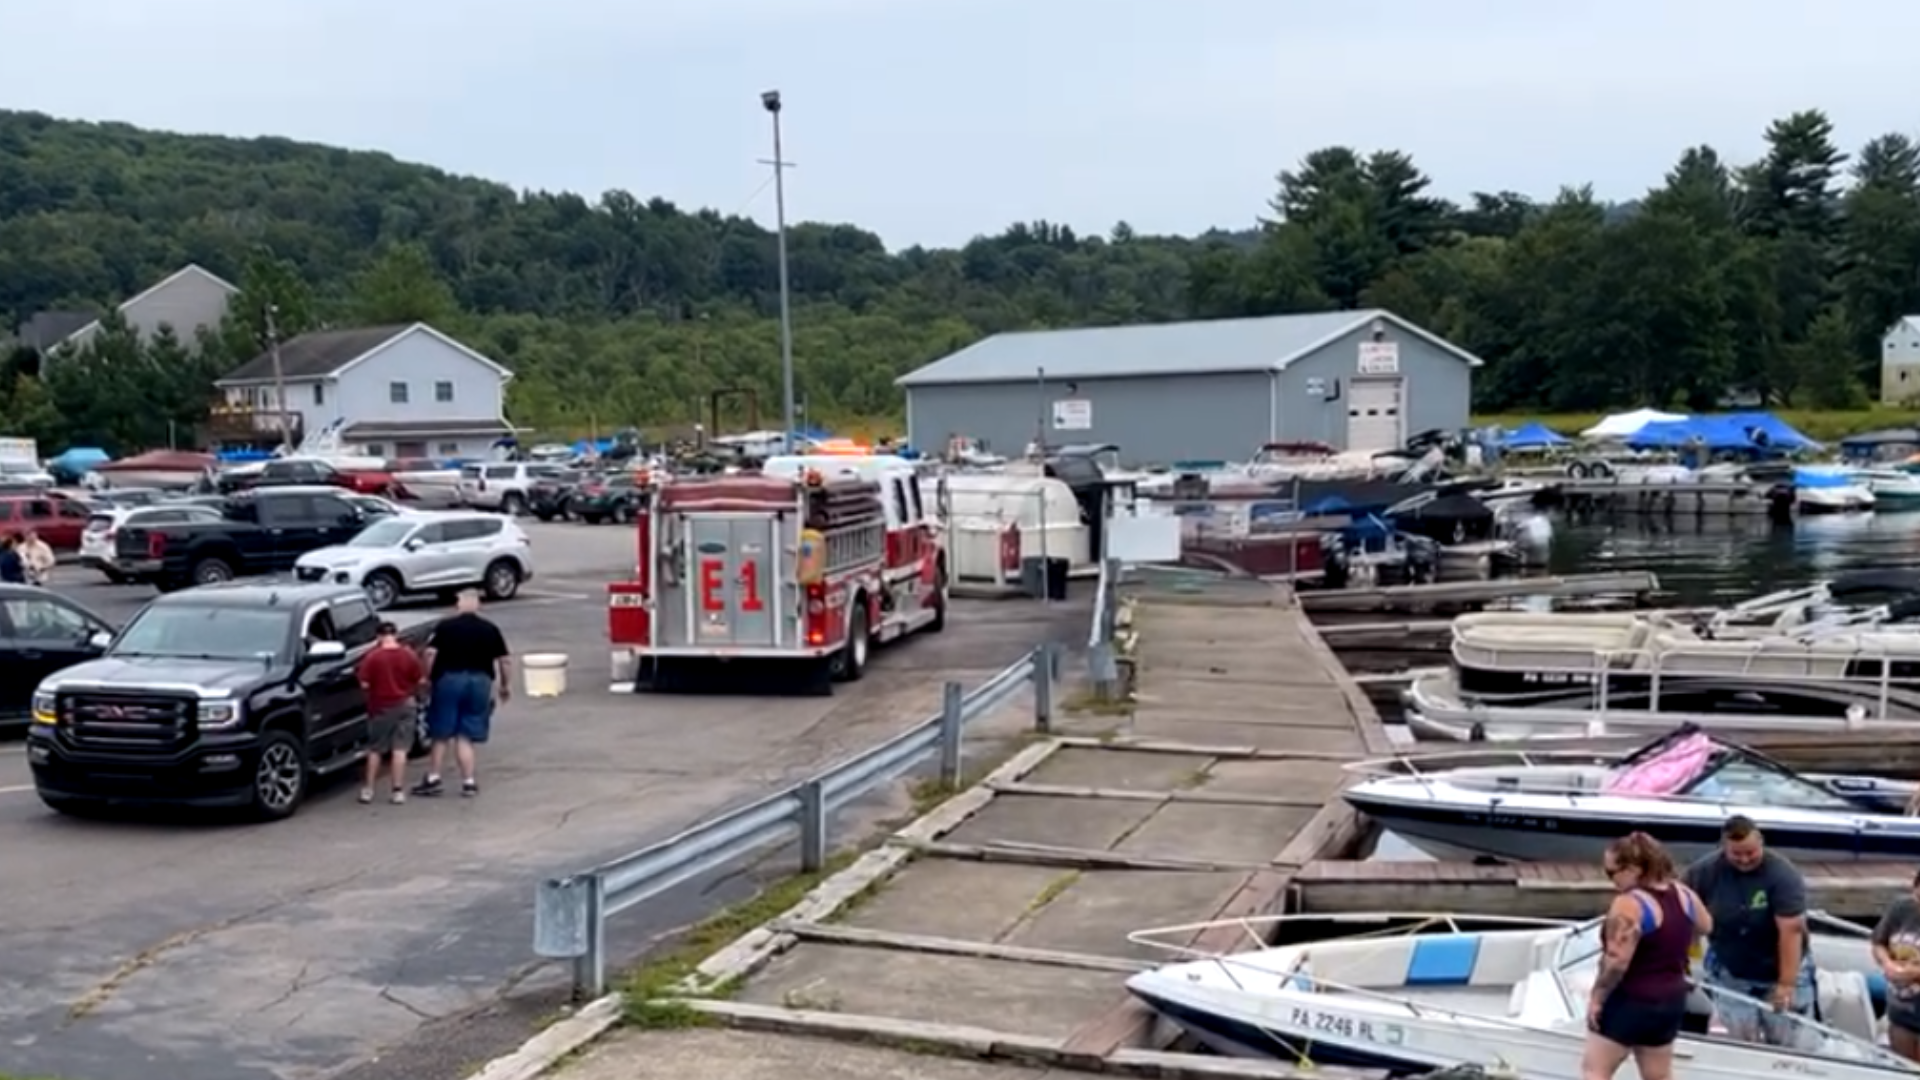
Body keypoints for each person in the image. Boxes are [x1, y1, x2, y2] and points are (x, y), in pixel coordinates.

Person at [1583, 832, 1710, 1080]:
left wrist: (1597, 997)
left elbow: (1617, 961)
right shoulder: (1684, 895)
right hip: (1671, 1000)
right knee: (1658, 1076)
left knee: (1595, 1071)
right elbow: (1706, 926)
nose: (1611, 881)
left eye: (1612, 873)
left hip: (1631, 998)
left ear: (1633, 869)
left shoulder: (1629, 904)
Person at [1682, 815, 1814, 1045]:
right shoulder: (1703, 872)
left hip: (1779, 968)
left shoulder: (1783, 875)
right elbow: (1684, 915)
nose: (1744, 859)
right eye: (1736, 854)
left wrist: (1786, 984)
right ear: (1724, 848)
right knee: (1741, 1038)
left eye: (1750, 852)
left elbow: (1791, 930)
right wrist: (1683, 960)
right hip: (1731, 969)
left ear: (1760, 841)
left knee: (1786, 1040)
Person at [414, 590, 511, 798]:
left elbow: (430, 653)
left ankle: (434, 777)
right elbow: (504, 660)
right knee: (466, 734)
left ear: (458, 605)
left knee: (441, 733)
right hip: (480, 681)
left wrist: (427, 678)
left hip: (449, 679)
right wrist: (505, 685)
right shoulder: (490, 629)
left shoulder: (446, 627)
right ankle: (468, 782)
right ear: (478, 605)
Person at [356, 621, 425, 805]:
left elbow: (364, 684)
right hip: (406, 704)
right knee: (400, 749)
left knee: (375, 749)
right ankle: (397, 791)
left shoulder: (372, 657)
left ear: (379, 636)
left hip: (381, 707)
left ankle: (368, 790)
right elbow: (419, 679)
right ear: (395, 634)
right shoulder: (408, 655)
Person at [1874, 868, 1920, 1062]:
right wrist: (1887, 964)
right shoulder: (1901, 908)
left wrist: (1913, 973)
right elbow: (1878, 943)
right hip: (1900, 1014)